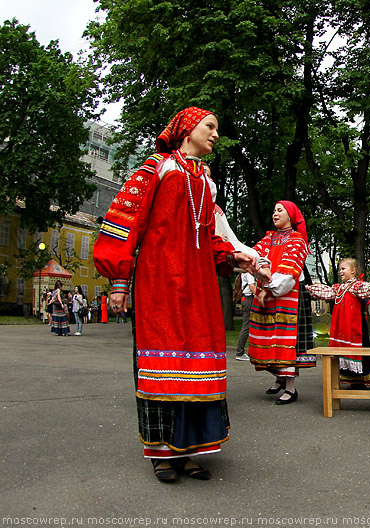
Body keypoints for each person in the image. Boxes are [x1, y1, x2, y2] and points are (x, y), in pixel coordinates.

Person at [93, 106, 258, 483]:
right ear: (187, 128)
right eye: (210, 126)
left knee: (196, 365)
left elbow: (212, 238)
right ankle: (161, 454)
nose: (216, 134)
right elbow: (125, 220)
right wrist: (120, 280)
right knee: (162, 366)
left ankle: (189, 450)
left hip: (198, 286)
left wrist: (235, 258)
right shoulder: (157, 167)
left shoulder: (208, 183)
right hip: (160, 281)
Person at [248, 201, 315, 404]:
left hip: (288, 296)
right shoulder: (269, 238)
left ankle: (291, 388)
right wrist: (259, 273)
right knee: (269, 338)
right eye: (274, 210)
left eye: (279, 210)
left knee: (286, 340)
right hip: (268, 296)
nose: (274, 214)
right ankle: (279, 377)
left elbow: (289, 270)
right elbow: (254, 256)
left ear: (290, 216)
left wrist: (267, 288)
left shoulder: (297, 239)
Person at [307, 258, 370, 387]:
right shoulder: (339, 288)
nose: (340, 271)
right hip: (341, 325)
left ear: (353, 271)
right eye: (339, 269)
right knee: (343, 349)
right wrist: (311, 288)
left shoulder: (357, 286)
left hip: (354, 325)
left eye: (343, 269)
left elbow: (369, 289)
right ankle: (351, 379)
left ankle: (361, 379)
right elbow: (327, 292)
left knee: (359, 348)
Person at [235, 271, 256, 361]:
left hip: (246, 298)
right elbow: (252, 286)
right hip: (249, 298)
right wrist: (260, 297)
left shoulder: (245, 272)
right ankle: (240, 352)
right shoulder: (249, 272)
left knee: (249, 325)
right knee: (247, 325)